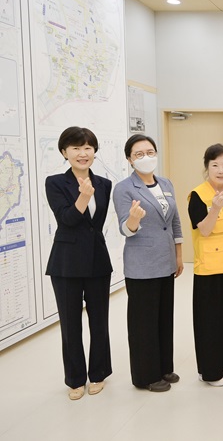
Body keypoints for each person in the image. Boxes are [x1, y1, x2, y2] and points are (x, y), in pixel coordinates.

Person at [45, 127, 113, 400]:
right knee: (71, 324)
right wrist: (84, 196)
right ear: (64, 152)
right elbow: (67, 220)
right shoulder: (55, 183)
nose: (82, 153)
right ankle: (74, 379)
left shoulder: (105, 184)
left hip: (98, 261)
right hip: (66, 264)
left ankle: (98, 373)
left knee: (100, 322)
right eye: (75, 148)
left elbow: (96, 225)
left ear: (94, 151)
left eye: (87, 147)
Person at [113, 134, 184, 392]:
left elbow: (174, 221)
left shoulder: (165, 183)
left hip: (166, 261)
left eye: (150, 152)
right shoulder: (124, 188)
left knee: (164, 318)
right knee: (143, 324)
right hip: (142, 265)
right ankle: (146, 376)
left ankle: (164, 367)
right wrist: (133, 219)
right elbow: (125, 229)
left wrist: (178, 254)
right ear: (130, 159)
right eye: (139, 154)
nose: (146, 157)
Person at [188, 144, 223, 387]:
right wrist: (215, 209)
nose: (221, 170)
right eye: (215, 165)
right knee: (210, 322)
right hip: (209, 268)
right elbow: (204, 230)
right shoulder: (197, 195)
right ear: (207, 167)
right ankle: (210, 373)